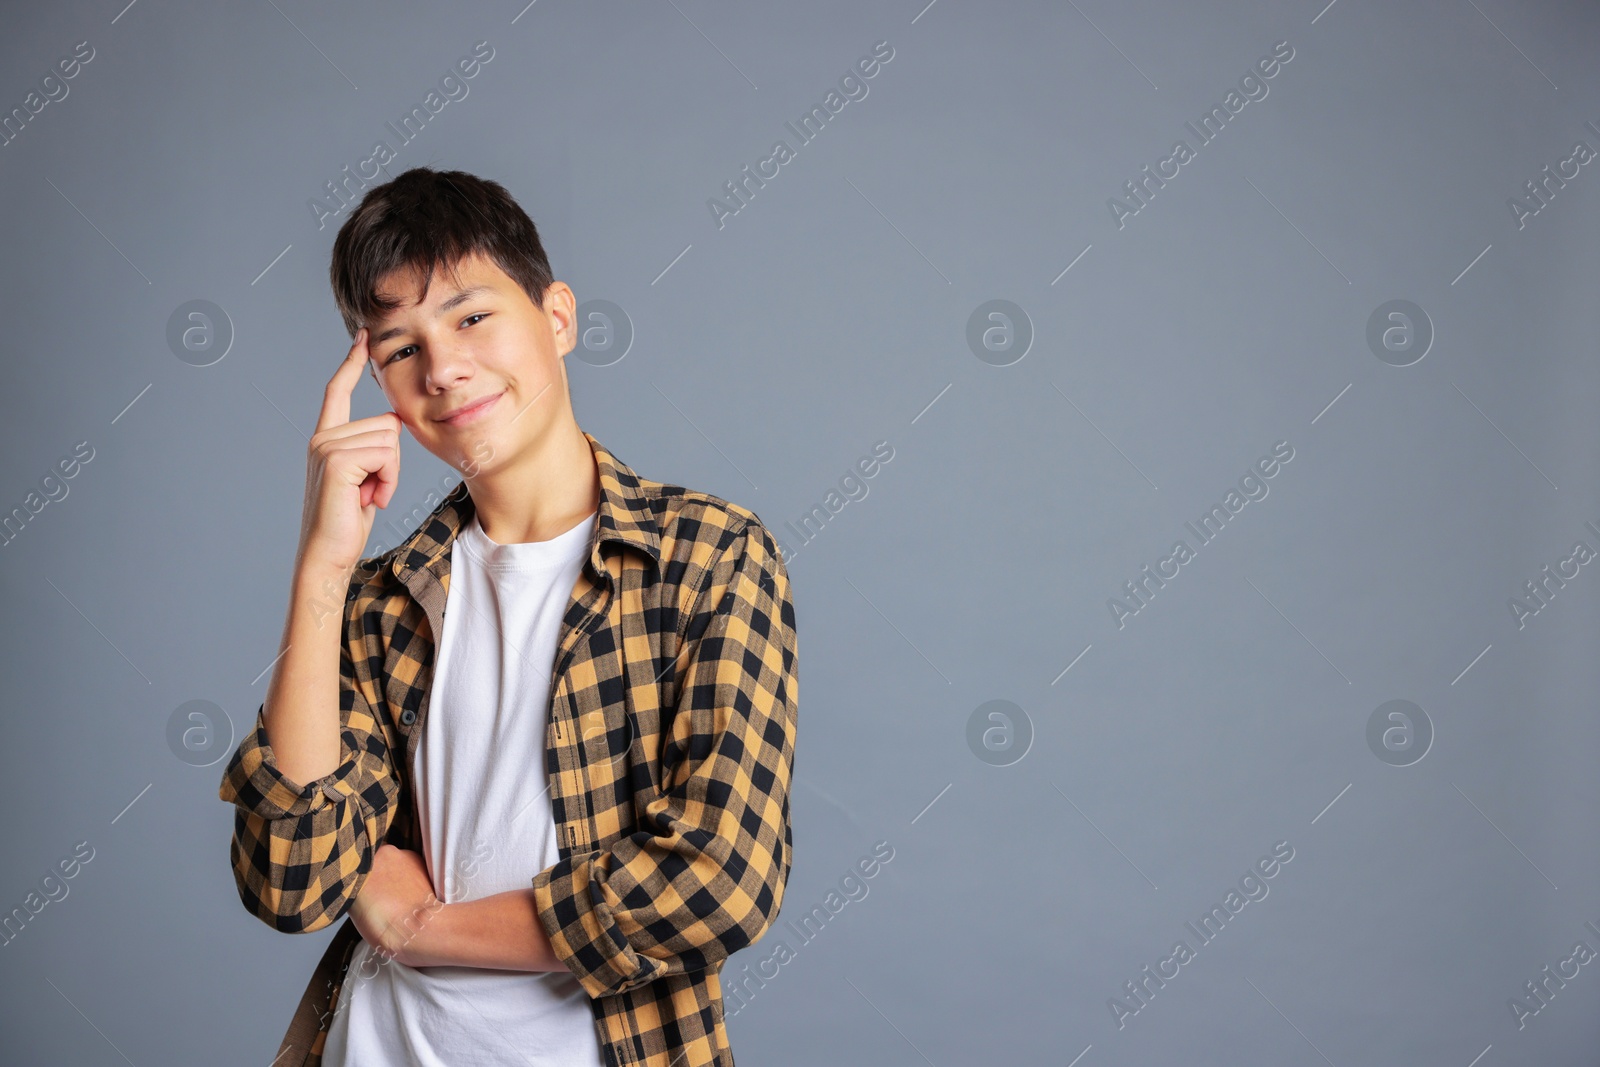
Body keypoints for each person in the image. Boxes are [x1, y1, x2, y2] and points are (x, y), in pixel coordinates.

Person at [218, 167, 799, 1067]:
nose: (443, 367)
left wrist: (420, 925)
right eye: (399, 349)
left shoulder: (705, 556)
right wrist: (322, 566)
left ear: (557, 317)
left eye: (471, 316)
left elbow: (721, 878)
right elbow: (293, 878)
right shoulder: (379, 601)